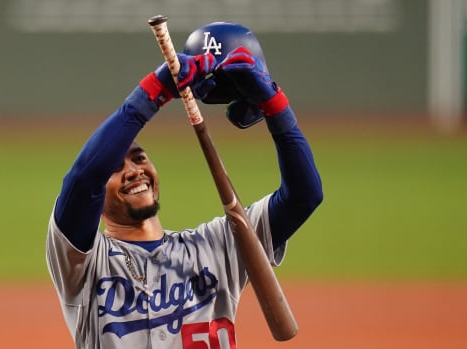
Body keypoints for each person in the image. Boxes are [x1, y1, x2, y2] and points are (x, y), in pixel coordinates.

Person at [46, 22, 323, 349]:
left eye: (139, 158)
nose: (134, 171)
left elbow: (304, 196)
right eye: (116, 167)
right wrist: (153, 93)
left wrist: (273, 104)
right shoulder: (83, 264)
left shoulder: (220, 246)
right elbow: (82, 180)